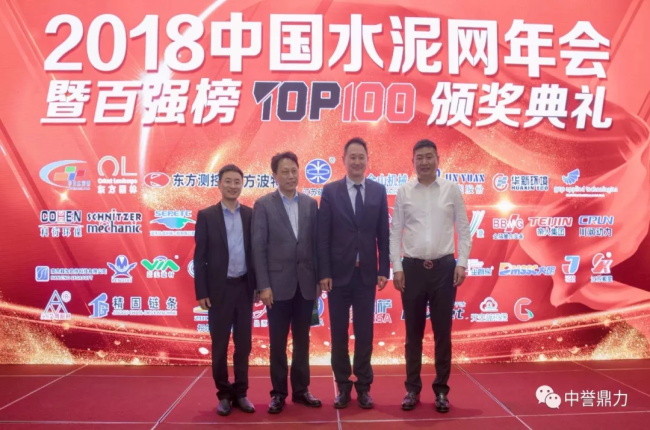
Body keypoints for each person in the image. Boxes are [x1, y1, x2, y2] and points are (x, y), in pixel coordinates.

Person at [390, 139, 471, 413]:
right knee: (413, 335)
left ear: (438, 159)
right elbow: (395, 232)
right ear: (412, 161)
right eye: (419, 158)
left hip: (444, 269)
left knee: (442, 334)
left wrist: (462, 263)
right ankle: (412, 389)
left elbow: (464, 229)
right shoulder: (404, 191)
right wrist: (397, 267)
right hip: (412, 269)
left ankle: (441, 391)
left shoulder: (451, 190)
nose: (424, 162)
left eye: (428, 157)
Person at [318, 137, 390, 409]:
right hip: (337, 276)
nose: (357, 161)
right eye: (353, 157)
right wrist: (324, 272)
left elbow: (383, 233)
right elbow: (323, 236)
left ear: (367, 160)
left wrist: (383, 269)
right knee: (338, 333)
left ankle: (363, 386)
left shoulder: (378, 191)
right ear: (344, 160)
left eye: (361, 157)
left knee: (365, 333)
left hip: (366, 275)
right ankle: (342, 386)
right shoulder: (330, 191)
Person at [252, 151, 322, 414]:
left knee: (303, 341)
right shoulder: (263, 205)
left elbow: (316, 246)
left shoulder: (310, 204)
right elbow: (258, 247)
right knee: (278, 343)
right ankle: (278, 393)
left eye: (294, 170)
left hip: (305, 285)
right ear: (275, 175)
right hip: (276, 286)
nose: (291, 176)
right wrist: (263, 285)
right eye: (285, 171)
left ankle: (302, 390)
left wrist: (318, 279)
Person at [193, 164, 257, 416]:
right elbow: (200, 257)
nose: (232, 186)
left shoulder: (251, 215)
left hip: (244, 288)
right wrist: (202, 291)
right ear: (219, 184)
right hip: (219, 291)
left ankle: (241, 392)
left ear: (242, 185)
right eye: (228, 181)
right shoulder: (207, 216)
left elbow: (256, 254)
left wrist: (258, 286)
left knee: (244, 345)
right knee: (219, 346)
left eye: (237, 182)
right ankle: (223, 394)